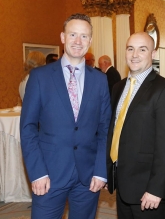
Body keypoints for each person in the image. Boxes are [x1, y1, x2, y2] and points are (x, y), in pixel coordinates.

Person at [20, 13, 111, 219]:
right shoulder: (40, 77)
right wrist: (38, 172)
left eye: (84, 36)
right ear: (62, 37)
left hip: (88, 177)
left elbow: (105, 128)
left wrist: (100, 170)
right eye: (72, 35)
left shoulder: (100, 80)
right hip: (49, 174)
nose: (78, 41)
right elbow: (28, 128)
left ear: (90, 41)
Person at [106, 32, 165, 219]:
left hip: (148, 189)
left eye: (142, 49)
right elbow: (115, 131)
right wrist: (110, 172)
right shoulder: (118, 87)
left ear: (153, 54)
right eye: (130, 48)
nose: (134, 55)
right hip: (123, 184)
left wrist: (156, 188)